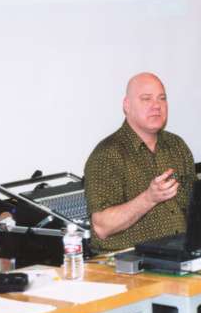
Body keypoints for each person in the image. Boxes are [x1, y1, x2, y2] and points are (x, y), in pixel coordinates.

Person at [84, 72, 195, 254]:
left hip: (180, 252)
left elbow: (192, 206)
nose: (156, 106)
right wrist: (149, 198)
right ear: (127, 105)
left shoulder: (176, 145)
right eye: (146, 99)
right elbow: (102, 227)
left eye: (162, 98)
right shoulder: (107, 154)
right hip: (130, 261)